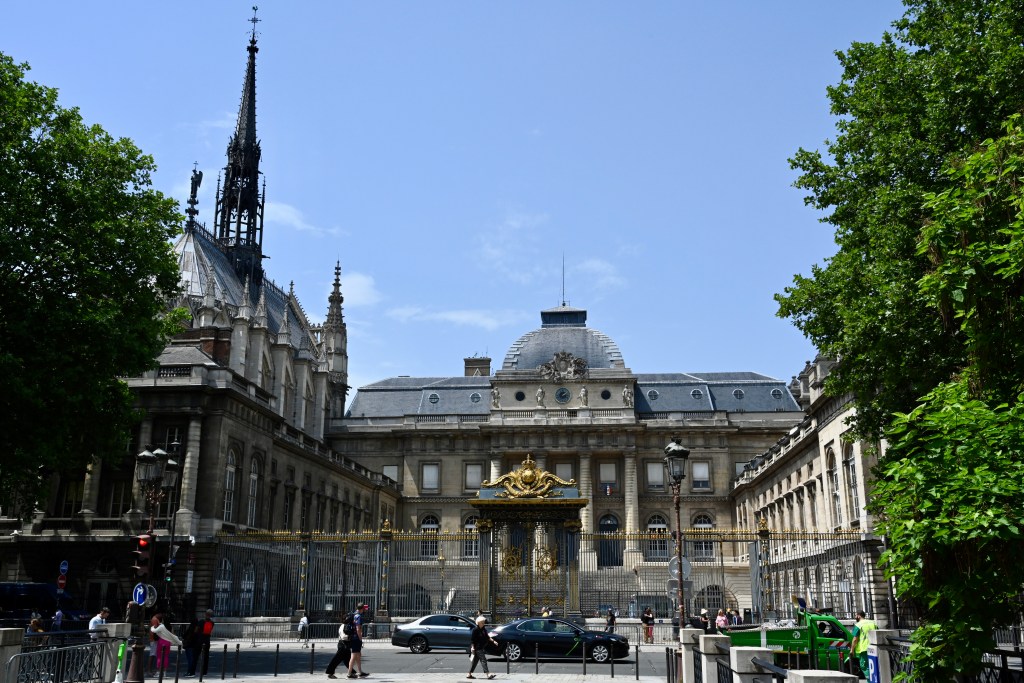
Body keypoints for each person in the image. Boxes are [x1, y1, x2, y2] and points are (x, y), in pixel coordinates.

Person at [466, 615, 497, 679]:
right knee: (483, 660)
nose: (483, 623)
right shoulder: (475, 630)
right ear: (478, 623)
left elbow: (487, 637)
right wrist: (472, 647)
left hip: (481, 647)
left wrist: (493, 641)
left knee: (474, 662)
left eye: (483, 622)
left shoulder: (483, 629)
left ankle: (469, 674)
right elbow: (472, 640)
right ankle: (488, 674)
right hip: (477, 648)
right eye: (482, 622)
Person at [850, 611, 877, 679]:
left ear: (859, 616)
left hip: (864, 649)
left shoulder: (858, 625)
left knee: (864, 666)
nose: (855, 617)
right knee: (874, 665)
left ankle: (869, 680)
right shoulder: (872, 623)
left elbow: (855, 639)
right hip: (874, 647)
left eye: (855, 615)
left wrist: (852, 650)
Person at [346, 603, 370, 679]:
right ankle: (349, 673)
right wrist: (360, 638)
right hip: (356, 638)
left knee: (358, 655)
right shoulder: (358, 616)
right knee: (353, 656)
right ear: (362, 609)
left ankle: (360, 672)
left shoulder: (354, 614)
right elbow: (358, 628)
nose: (364, 611)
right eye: (364, 609)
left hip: (353, 637)